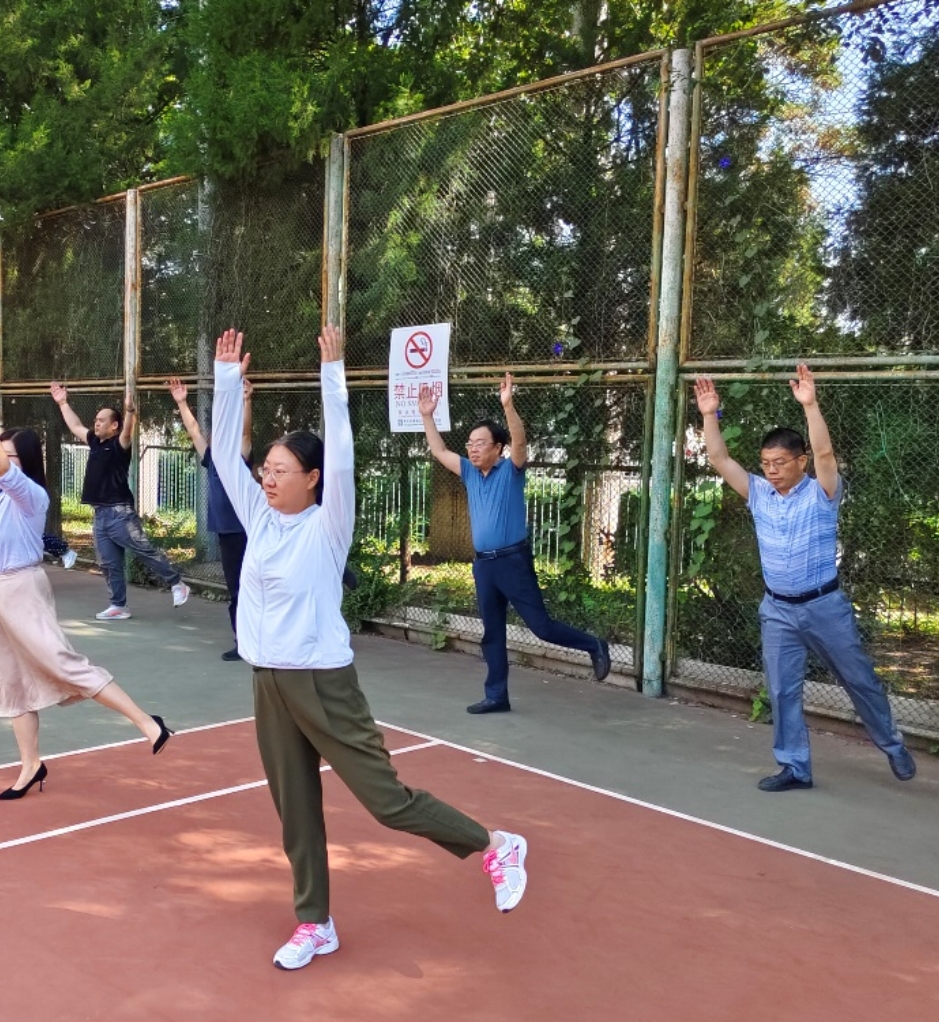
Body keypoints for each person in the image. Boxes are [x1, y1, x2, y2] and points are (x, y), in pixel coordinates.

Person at [210, 326, 528, 971]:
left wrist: (333, 378)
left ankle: (496, 845)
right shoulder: (260, 518)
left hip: (323, 683)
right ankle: (315, 922)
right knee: (295, 812)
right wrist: (223, 383)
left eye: (280, 471)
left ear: (312, 479)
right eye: (265, 469)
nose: (267, 478)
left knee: (386, 802)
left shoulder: (328, 524)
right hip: (268, 680)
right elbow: (221, 453)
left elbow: (343, 455)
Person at [0, 380, 173, 800]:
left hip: (22, 587)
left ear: (25, 461)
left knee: (63, 663)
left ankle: (148, 723)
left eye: (9, 453)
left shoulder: (30, 495)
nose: (0, 458)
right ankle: (31, 765)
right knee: (12, 681)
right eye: (0, 451)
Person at [693, 368, 916, 792]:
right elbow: (720, 459)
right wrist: (709, 414)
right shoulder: (758, 493)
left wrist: (810, 405)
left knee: (860, 682)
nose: (772, 471)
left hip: (824, 607)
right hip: (778, 609)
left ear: (801, 462)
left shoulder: (822, 493)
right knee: (781, 691)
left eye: (780, 463)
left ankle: (892, 744)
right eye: (766, 464)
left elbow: (827, 454)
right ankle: (795, 767)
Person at [417, 377, 611, 714]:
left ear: (497, 448)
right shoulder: (469, 473)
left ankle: (594, 645)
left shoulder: (512, 470)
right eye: (470, 443)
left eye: (480, 443)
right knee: (492, 632)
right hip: (484, 565)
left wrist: (508, 405)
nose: (473, 449)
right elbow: (439, 451)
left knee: (541, 627)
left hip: (512, 562)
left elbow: (519, 442)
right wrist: (426, 416)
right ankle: (496, 696)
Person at [50, 383, 190, 620]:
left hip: (120, 514)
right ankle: (119, 605)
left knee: (143, 550)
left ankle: (177, 583)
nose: (96, 423)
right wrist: (63, 402)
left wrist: (130, 411)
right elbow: (75, 426)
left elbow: (127, 431)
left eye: (102, 420)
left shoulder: (119, 445)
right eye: (96, 420)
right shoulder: (95, 442)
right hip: (100, 515)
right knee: (108, 563)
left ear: (114, 425)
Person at [168, 374, 255, 661]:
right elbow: (194, 431)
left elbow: (245, 435)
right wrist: (182, 403)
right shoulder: (212, 459)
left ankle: (260, 639)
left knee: (253, 586)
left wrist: (247, 401)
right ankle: (243, 641)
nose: (216, 436)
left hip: (247, 531)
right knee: (236, 589)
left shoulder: (239, 459)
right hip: (227, 534)